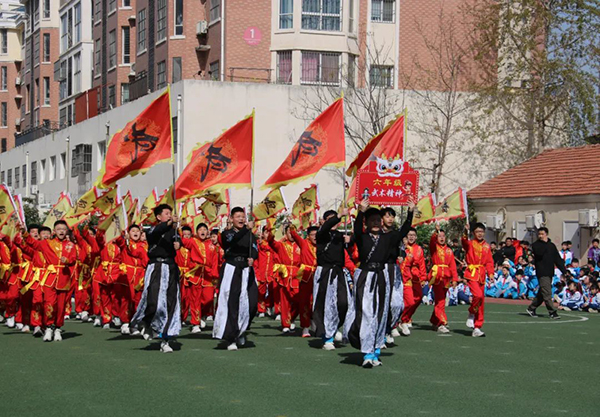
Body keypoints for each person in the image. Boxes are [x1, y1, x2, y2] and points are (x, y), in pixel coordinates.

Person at [348, 199, 397, 368]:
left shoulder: (387, 238)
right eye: (372, 220)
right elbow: (356, 229)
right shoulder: (362, 237)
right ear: (366, 223)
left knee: (381, 314)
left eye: (378, 220)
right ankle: (367, 353)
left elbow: (404, 231)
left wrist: (411, 211)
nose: (376, 223)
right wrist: (361, 211)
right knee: (367, 313)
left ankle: (376, 351)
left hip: (381, 276)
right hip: (365, 276)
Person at [131, 204, 181, 353]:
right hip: (157, 267)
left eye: (170, 213)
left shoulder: (174, 230)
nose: (169, 215)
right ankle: (146, 322)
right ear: (159, 217)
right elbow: (158, 231)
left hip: (171, 267)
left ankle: (166, 337)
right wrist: (169, 223)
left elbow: (178, 241)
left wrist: (178, 243)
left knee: (171, 302)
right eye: (166, 213)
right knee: (154, 300)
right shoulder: (152, 230)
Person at [20, 220, 77, 342]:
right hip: (49, 278)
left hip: (63, 279)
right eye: (59, 229)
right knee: (49, 303)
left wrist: (67, 260)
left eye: (63, 229)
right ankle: (49, 327)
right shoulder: (47, 243)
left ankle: (58, 328)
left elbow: (73, 259)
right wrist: (24, 233)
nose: (61, 231)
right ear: (54, 231)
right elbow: (33, 243)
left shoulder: (71, 245)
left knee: (61, 306)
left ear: (66, 231)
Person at [212, 207, 258, 351]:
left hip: (247, 269)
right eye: (238, 216)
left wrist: (253, 257)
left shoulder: (250, 234)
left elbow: (255, 248)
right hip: (232, 268)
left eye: (243, 216)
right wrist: (246, 229)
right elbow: (232, 242)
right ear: (231, 219)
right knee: (231, 303)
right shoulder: (227, 234)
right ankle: (231, 337)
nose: (241, 219)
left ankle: (242, 329)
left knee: (252, 303)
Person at [312, 209, 355, 351]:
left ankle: (334, 327)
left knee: (344, 303)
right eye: (330, 219)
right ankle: (327, 337)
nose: (334, 222)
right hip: (325, 272)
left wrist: (351, 239)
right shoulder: (321, 234)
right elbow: (326, 227)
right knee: (325, 305)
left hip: (339, 272)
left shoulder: (340, 236)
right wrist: (339, 216)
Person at [380, 202, 414, 344]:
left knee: (397, 304)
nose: (390, 219)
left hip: (393, 270)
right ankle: (380, 334)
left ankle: (389, 327)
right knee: (381, 304)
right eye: (387, 216)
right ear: (381, 219)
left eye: (392, 216)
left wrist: (410, 212)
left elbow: (405, 229)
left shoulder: (395, 235)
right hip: (379, 270)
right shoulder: (375, 234)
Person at [526, 227, 567, 319]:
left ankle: (531, 308)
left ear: (546, 234)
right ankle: (552, 312)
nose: (540, 236)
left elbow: (557, 259)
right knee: (547, 293)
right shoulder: (536, 245)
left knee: (542, 293)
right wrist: (545, 243)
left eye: (542, 234)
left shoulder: (551, 246)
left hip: (550, 272)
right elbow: (539, 253)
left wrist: (564, 271)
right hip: (541, 272)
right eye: (539, 234)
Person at [462, 222, 494, 337]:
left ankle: (477, 327)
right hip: (472, 274)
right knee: (477, 295)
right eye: (477, 232)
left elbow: (489, 261)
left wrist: (491, 274)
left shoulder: (487, 246)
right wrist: (465, 231)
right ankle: (471, 312)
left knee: (481, 302)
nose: (480, 234)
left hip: (482, 275)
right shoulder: (470, 244)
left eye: (481, 232)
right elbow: (464, 242)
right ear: (473, 233)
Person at [428, 223, 458, 334]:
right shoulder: (434, 248)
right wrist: (435, 232)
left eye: (443, 236)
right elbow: (432, 241)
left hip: (446, 278)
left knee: (441, 300)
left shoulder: (449, 250)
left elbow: (453, 266)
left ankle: (434, 320)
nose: (441, 238)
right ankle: (441, 322)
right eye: (439, 236)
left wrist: (455, 279)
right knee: (440, 300)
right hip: (437, 277)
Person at [289, 224, 318, 338]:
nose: (315, 237)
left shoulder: (322, 244)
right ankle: (305, 327)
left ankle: (315, 323)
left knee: (316, 302)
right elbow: (295, 235)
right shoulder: (304, 243)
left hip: (318, 275)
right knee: (305, 302)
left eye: (317, 234)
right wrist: (292, 227)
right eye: (313, 235)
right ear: (308, 236)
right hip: (306, 276)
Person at [398, 227, 426, 336]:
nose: (411, 237)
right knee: (398, 302)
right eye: (409, 235)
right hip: (400, 277)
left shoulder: (418, 249)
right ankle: (396, 323)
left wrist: (423, 277)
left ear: (416, 237)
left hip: (413, 276)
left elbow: (422, 264)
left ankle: (405, 318)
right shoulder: (400, 247)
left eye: (413, 235)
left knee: (416, 298)